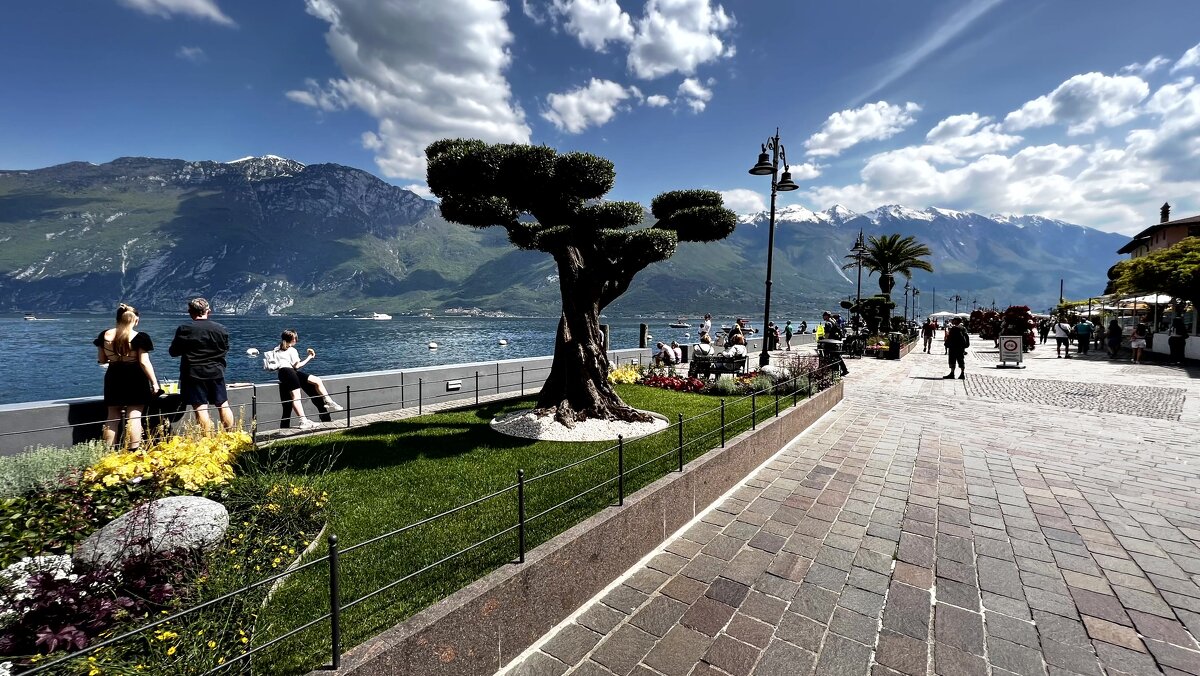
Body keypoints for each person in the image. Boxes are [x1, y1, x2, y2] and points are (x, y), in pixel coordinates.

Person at [94, 303, 160, 449]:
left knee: (112, 417)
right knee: (135, 416)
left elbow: (102, 360)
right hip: (135, 377)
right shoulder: (140, 337)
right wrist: (155, 383)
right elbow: (144, 362)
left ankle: (108, 452)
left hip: (113, 376)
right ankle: (133, 452)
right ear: (135, 320)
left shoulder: (104, 335)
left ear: (118, 319)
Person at [169, 297, 234, 432]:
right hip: (216, 372)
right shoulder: (221, 329)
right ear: (207, 311)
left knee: (200, 408)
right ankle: (230, 436)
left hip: (193, 374)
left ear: (190, 312)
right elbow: (225, 350)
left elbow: (174, 352)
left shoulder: (184, 329)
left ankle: (208, 440)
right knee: (223, 404)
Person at [269, 329, 344, 429]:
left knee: (317, 380)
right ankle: (303, 421)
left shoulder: (276, 349)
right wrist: (309, 357)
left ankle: (328, 400)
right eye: (296, 338)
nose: (296, 340)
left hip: (283, 373)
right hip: (290, 372)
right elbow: (297, 366)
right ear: (293, 339)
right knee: (296, 397)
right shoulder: (292, 350)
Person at [820, 311, 849, 376]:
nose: (823, 317)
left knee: (828, 356)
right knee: (837, 355)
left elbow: (828, 333)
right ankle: (843, 370)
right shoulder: (833, 321)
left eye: (824, 316)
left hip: (830, 342)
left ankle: (828, 371)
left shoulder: (828, 323)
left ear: (826, 316)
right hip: (835, 341)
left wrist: (824, 340)